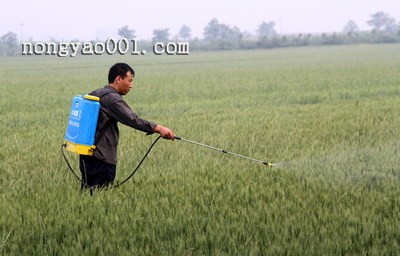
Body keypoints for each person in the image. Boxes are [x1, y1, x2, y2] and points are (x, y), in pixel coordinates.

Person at [79, 63, 175, 191]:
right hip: (102, 158)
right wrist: (158, 128)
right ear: (118, 79)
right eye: (129, 80)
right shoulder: (112, 99)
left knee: (88, 194)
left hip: (86, 155)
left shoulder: (96, 93)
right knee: (100, 195)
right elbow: (132, 119)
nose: (131, 85)